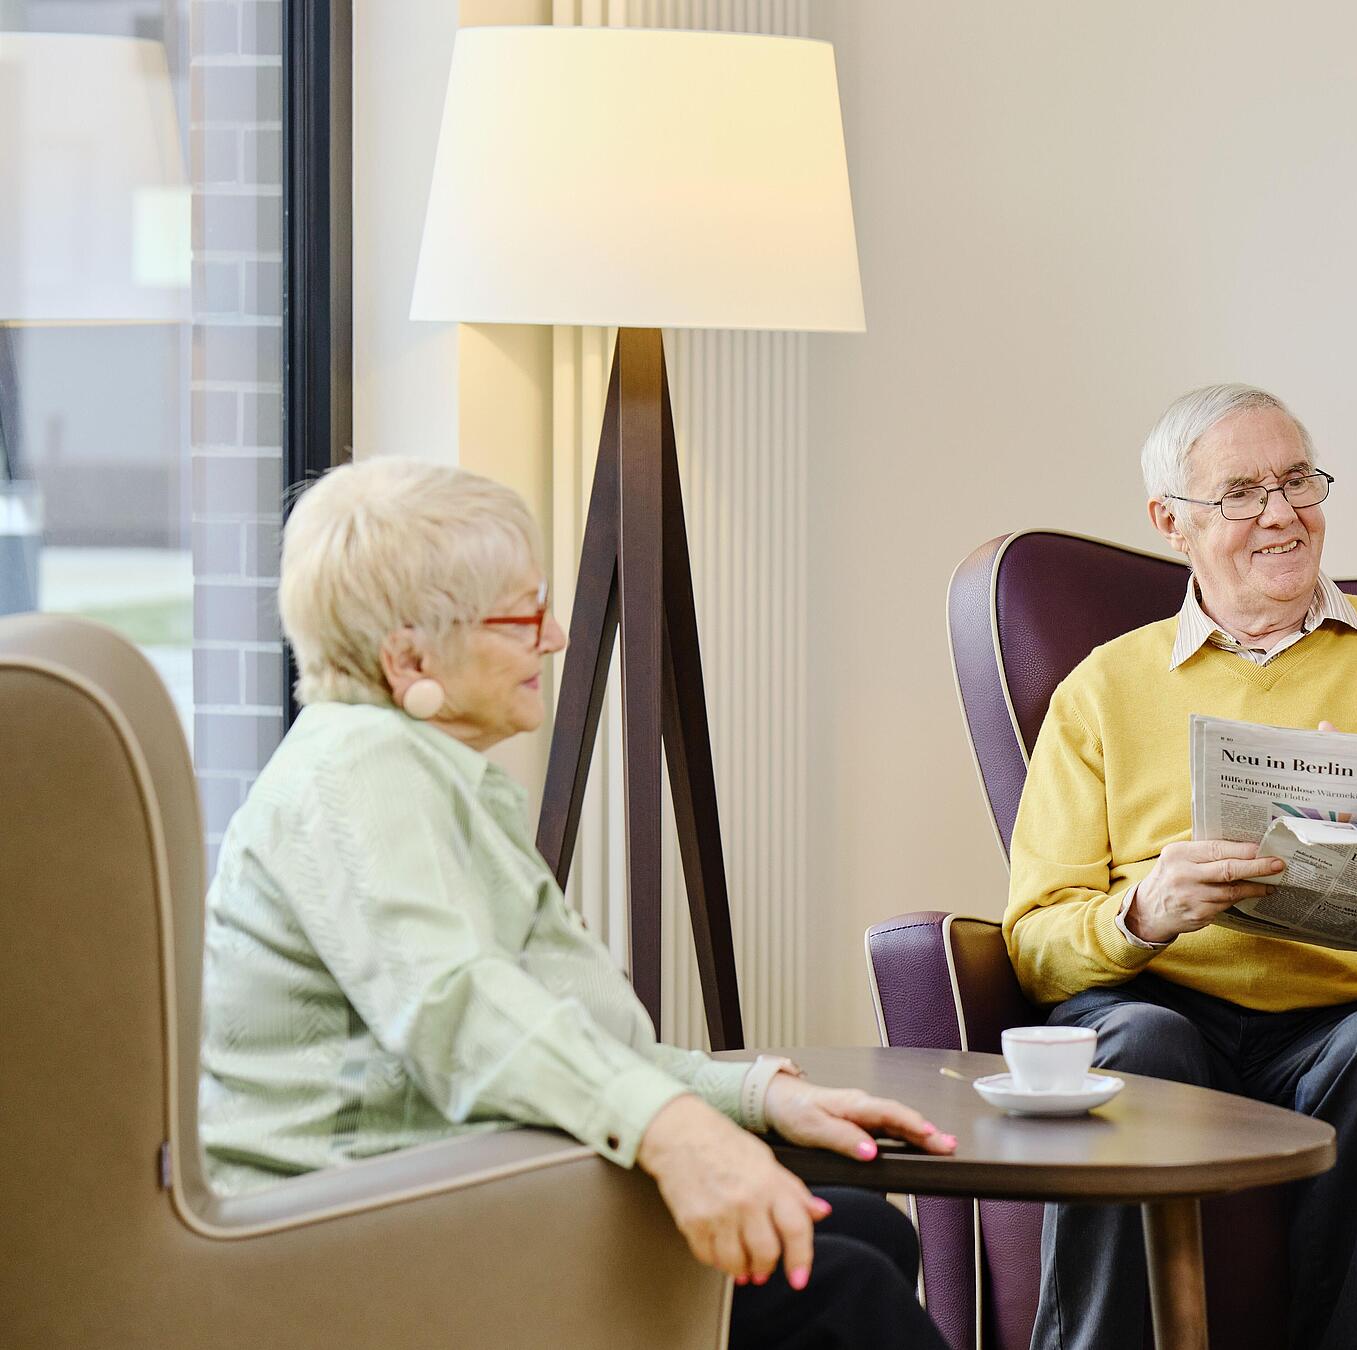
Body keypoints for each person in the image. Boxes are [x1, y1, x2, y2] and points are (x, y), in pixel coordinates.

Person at [199, 459, 953, 1350]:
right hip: (349, 1231)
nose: (555, 637)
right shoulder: (357, 772)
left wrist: (752, 1098)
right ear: (409, 658)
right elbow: (457, 1007)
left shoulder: (418, 771)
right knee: (838, 1289)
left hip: (443, 1189)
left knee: (865, 1227)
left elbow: (565, 1038)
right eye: (523, 617)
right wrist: (677, 1134)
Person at [1006, 384, 1357, 1350]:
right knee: (1135, 1047)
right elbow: (1037, 944)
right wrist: (1145, 912)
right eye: (1243, 492)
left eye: (1299, 481)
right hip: (1163, 1004)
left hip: (1351, 1017)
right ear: (1171, 523)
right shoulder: (1103, 687)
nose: (1282, 514)